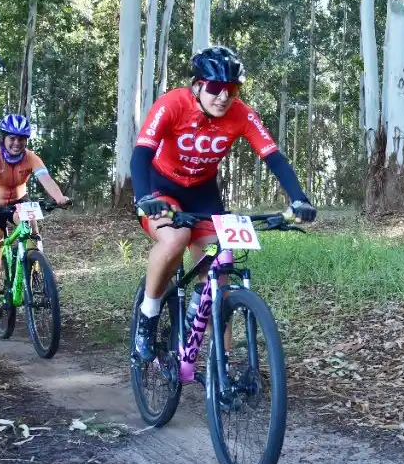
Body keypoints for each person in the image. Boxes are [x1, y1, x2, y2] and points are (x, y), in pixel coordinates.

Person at [131, 45, 316, 361]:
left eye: (231, 90)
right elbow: (141, 154)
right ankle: (148, 315)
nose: (223, 97)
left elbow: (274, 158)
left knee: (220, 268)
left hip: (203, 193)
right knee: (176, 239)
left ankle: (223, 369)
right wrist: (144, 198)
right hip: (161, 188)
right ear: (198, 85)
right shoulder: (173, 104)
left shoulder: (241, 113)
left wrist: (298, 198)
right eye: (215, 88)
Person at [0, 113, 70, 321]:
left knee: (33, 236)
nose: (17, 143)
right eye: (12, 138)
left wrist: (59, 197)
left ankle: (33, 270)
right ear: (3, 139)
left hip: (19, 202)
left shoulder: (31, 158)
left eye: (21, 139)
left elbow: (45, 178)